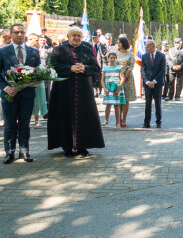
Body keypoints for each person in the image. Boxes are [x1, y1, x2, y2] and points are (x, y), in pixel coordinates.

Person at [48, 26, 104, 157]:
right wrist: (70, 68)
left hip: (83, 92)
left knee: (84, 117)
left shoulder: (87, 49)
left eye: (79, 35)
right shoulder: (58, 50)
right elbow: (52, 67)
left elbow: (96, 67)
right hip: (63, 91)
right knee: (65, 117)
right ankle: (67, 147)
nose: (77, 38)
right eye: (74, 35)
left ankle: (82, 146)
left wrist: (84, 68)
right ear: (68, 37)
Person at [0, 24, 41, 164]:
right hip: (9, 94)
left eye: (22, 32)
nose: (19, 35)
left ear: (25, 34)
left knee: (24, 124)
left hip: (27, 95)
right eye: (16, 32)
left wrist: (36, 81)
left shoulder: (34, 52)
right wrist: (6, 88)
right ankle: (9, 152)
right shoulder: (3, 52)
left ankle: (24, 150)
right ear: (10, 34)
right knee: (9, 125)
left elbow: (38, 72)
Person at [141, 38, 166, 128]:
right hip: (147, 84)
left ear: (153, 46)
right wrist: (147, 81)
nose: (146, 48)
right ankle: (146, 122)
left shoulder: (161, 56)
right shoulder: (144, 56)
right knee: (147, 104)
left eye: (148, 47)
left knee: (157, 103)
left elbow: (162, 70)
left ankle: (158, 122)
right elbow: (143, 71)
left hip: (157, 84)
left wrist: (154, 81)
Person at [116, 36, 136, 127]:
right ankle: (118, 118)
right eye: (118, 42)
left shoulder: (130, 54)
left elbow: (131, 65)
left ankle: (124, 119)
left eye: (120, 42)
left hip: (127, 78)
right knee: (119, 99)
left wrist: (126, 75)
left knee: (126, 99)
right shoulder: (115, 53)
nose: (118, 44)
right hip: (117, 78)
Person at [101, 52, 126, 127]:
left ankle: (117, 122)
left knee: (116, 105)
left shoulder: (119, 68)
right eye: (111, 58)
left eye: (114, 58)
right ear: (108, 59)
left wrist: (118, 88)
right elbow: (102, 79)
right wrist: (104, 89)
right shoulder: (105, 68)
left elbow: (122, 79)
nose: (112, 59)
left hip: (116, 88)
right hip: (108, 88)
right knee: (108, 105)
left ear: (116, 58)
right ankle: (106, 120)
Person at [27, 38, 48, 127]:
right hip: (29, 80)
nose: (36, 48)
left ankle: (37, 120)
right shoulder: (27, 57)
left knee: (39, 100)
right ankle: (26, 120)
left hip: (40, 80)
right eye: (34, 47)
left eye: (37, 47)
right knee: (29, 101)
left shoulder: (41, 55)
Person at [91, 32, 108, 97]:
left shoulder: (102, 45)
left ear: (98, 38)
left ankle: (100, 92)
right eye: (93, 38)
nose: (94, 39)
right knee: (94, 79)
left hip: (100, 65)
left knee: (100, 78)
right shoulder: (91, 46)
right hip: (93, 65)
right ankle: (95, 91)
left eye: (96, 37)